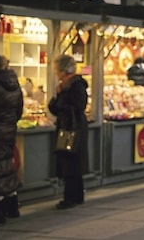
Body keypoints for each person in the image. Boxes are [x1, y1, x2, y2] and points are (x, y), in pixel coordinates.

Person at [48, 55, 89, 210]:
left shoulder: (75, 85)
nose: (56, 74)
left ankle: (70, 197)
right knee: (71, 162)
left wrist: (59, 103)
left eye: (58, 70)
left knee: (69, 162)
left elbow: (78, 107)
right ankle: (77, 196)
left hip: (72, 128)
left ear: (64, 70)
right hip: (69, 126)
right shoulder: (65, 86)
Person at [0, 55, 23, 223]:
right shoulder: (15, 86)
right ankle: (13, 205)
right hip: (8, 132)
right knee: (6, 166)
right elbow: (19, 112)